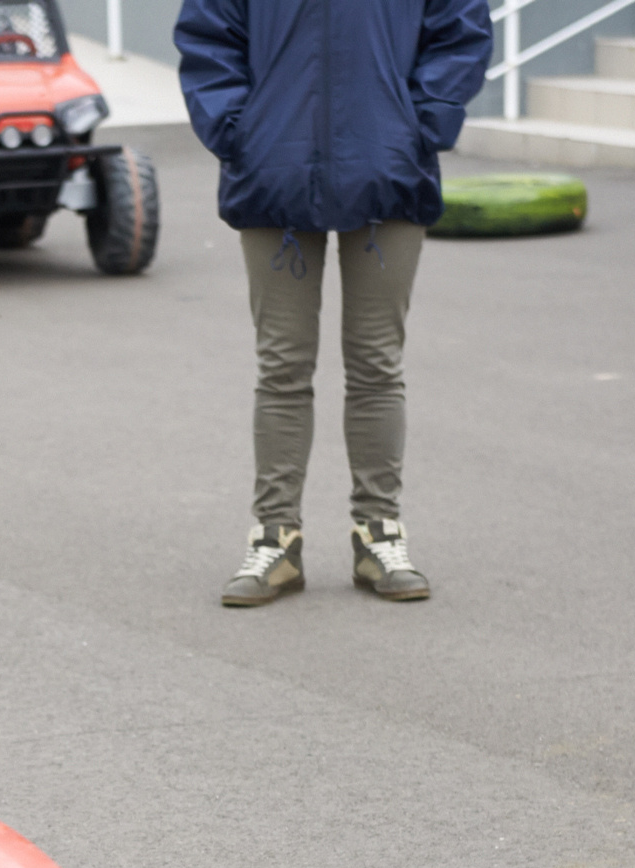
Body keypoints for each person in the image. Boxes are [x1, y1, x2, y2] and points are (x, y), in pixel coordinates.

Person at [176, 0, 490, 607]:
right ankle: (275, 540)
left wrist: (419, 126)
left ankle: (379, 535)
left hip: (388, 168)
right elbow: (208, 40)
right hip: (273, 170)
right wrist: (241, 133)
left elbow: (460, 31)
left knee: (376, 363)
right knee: (282, 366)